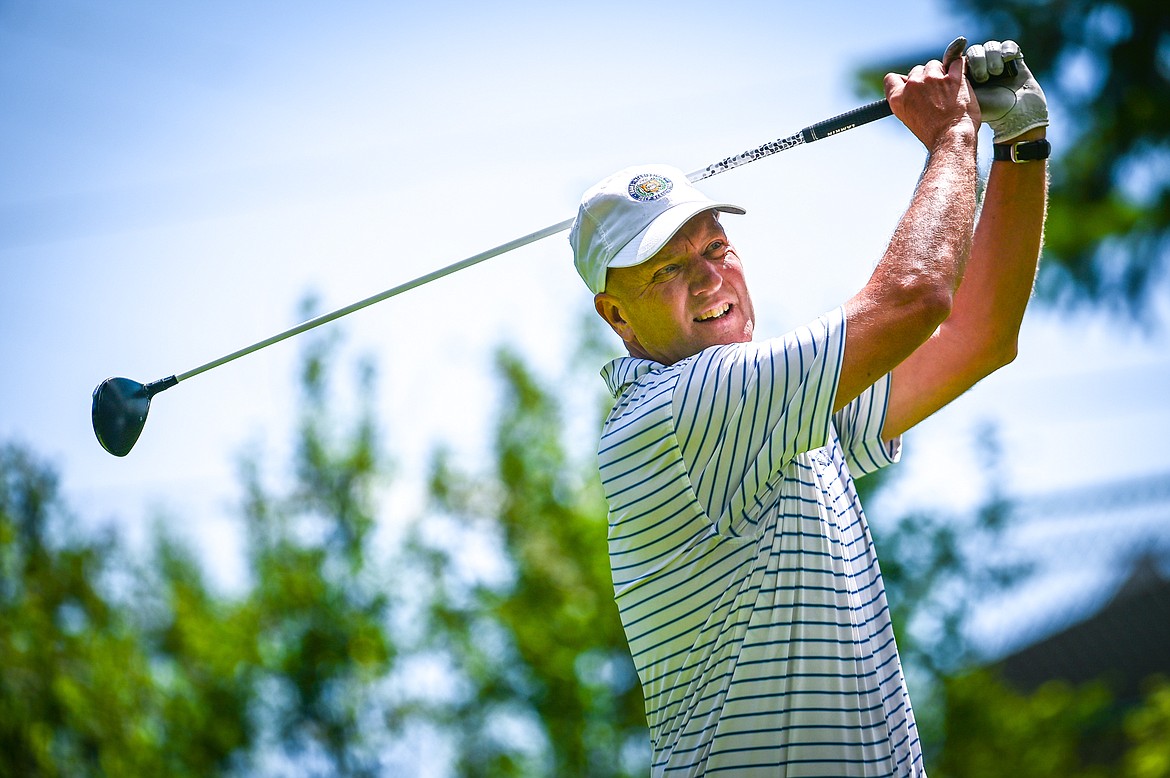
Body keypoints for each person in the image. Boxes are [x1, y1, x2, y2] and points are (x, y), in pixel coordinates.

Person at [568, 38, 1049, 776]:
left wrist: (1020, 147)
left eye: (717, 247)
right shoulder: (674, 411)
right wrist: (954, 137)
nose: (707, 278)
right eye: (668, 267)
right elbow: (916, 298)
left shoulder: (775, 413)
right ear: (616, 317)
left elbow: (979, 337)